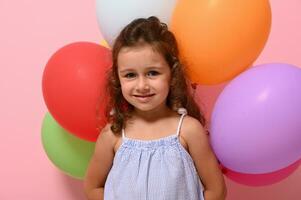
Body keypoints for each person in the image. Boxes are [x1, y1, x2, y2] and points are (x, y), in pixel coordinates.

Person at [84, 16, 226, 200]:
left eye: (152, 73)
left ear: (172, 74)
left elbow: (216, 190)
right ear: (117, 79)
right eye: (130, 75)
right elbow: (92, 187)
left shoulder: (188, 130)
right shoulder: (113, 134)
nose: (142, 85)